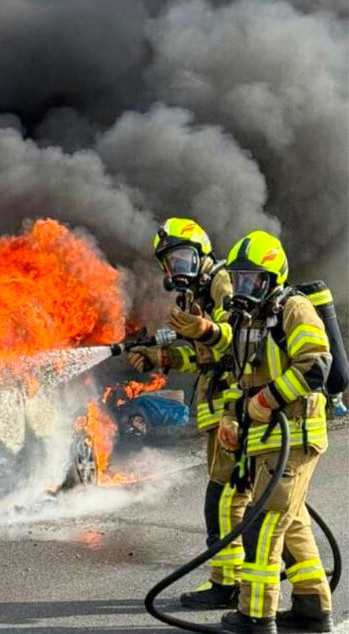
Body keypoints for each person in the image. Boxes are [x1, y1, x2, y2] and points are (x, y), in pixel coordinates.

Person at [212, 231, 333, 634]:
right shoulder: (247, 323)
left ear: (273, 278)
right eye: (240, 280)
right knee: (291, 519)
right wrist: (230, 416)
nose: (245, 289)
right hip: (268, 441)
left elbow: (316, 366)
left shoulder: (293, 309)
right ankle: (312, 607)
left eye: (254, 281)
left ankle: (256, 615)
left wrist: (265, 401)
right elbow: (237, 378)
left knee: (263, 522)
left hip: (296, 436)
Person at [128, 218, 247, 609]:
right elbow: (204, 357)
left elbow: (234, 341)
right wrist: (161, 356)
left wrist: (205, 328)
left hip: (238, 407)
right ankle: (236, 581)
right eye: (169, 262)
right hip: (222, 410)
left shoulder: (222, 283)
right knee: (233, 498)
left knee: (225, 498)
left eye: (182, 258)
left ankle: (228, 584)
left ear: (201, 254)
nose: (175, 268)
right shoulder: (195, 295)